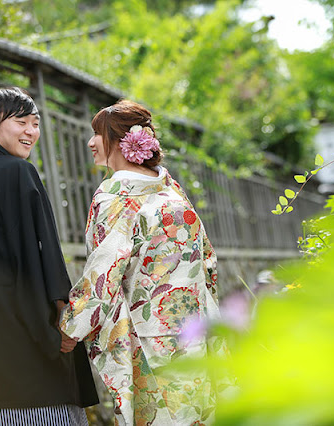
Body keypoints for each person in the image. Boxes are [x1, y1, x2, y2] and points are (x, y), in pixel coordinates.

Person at [59, 100, 224, 425]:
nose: (91, 143)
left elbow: (104, 270)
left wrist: (72, 326)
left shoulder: (116, 198)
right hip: (193, 332)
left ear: (122, 142)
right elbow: (207, 264)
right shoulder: (174, 195)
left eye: (97, 134)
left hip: (147, 339)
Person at [0, 87, 98, 425]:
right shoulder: (17, 172)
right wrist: (60, 322)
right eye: (21, 122)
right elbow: (39, 251)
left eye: (35, 124)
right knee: (43, 406)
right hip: (21, 321)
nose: (31, 132)